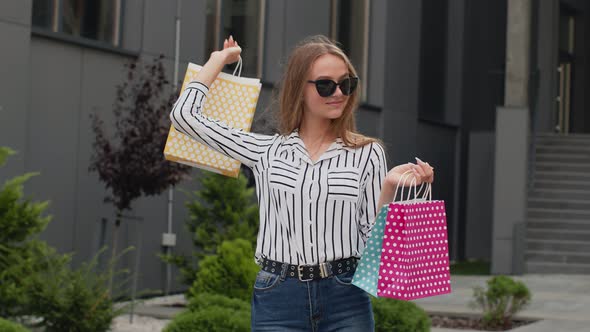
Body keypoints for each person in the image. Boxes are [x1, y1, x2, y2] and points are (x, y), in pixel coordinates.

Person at [170, 35, 434, 331]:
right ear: (299, 90)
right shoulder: (265, 151)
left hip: (345, 294)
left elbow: (371, 243)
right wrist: (218, 61)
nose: (338, 93)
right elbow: (184, 116)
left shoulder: (367, 153)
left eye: (346, 83)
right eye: (325, 84)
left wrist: (390, 188)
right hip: (278, 297)